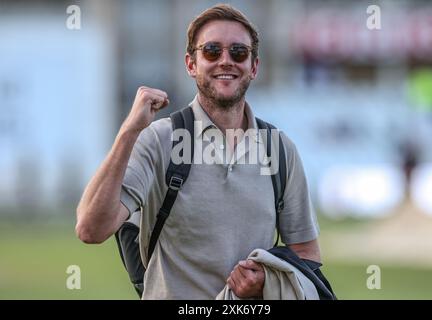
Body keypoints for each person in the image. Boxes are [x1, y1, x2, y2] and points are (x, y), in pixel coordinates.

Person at [76, 4, 320, 300]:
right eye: (212, 51)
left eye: (239, 52)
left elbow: (306, 254)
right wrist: (129, 131)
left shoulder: (279, 150)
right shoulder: (158, 140)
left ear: (253, 67)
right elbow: (91, 228)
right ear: (191, 64)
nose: (226, 61)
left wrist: (266, 280)